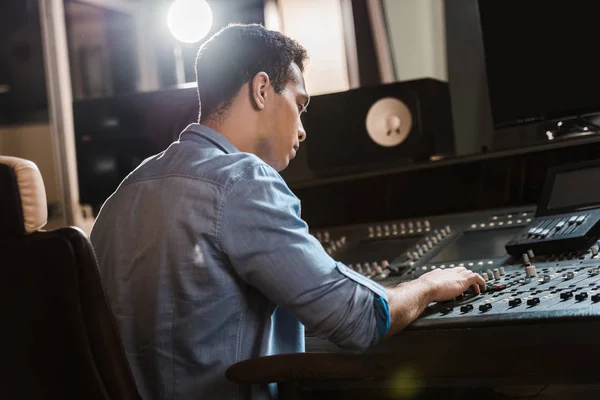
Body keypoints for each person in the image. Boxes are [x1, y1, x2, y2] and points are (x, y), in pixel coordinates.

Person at [90, 23, 486, 400]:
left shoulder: (122, 196)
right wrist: (429, 285)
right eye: (299, 104)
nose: (302, 129)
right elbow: (359, 319)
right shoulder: (242, 180)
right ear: (262, 89)